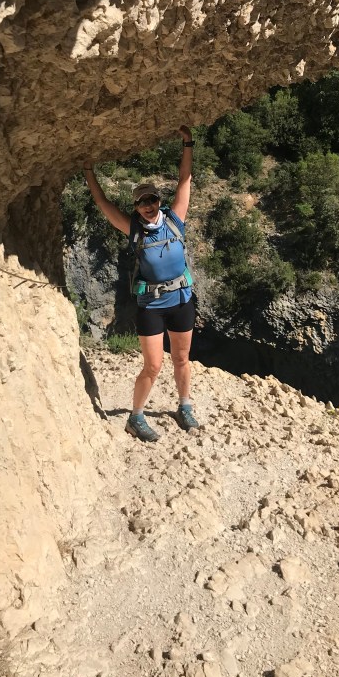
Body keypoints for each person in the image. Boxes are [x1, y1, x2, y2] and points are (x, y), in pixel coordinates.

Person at [82, 125, 199, 442]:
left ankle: (184, 406)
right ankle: (136, 417)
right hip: (152, 306)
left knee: (182, 359)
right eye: (141, 202)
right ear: (135, 207)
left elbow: (184, 180)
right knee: (153, 366)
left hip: (181, 300)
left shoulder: (174, 220)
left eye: (152, 199)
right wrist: (88, 170)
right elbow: (103, 203)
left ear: (159, 201)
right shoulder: (133, 229)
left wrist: (188, 143)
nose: (148, 205)